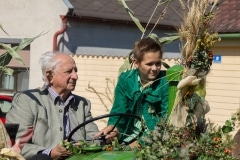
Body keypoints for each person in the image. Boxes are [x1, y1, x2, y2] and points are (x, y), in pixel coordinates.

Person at [6, 51, 99, 160]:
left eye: (75, 71)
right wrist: (50, 152)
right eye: (69, 71)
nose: (75, 76)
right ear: (50, 75)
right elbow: (15, 144)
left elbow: (94, 139)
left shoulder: (83, 104)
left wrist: (105, 137)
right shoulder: (27, 100)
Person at [94, 37, 169, 146]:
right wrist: (113, 128)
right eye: (149, 64)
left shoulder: (165, 82)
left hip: (154, 141)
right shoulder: (126, 80)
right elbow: (119, 110)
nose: (155, 68)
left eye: (158, 63)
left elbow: (166, 121)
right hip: (127, 137)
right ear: (136, 63)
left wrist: (139, 143)